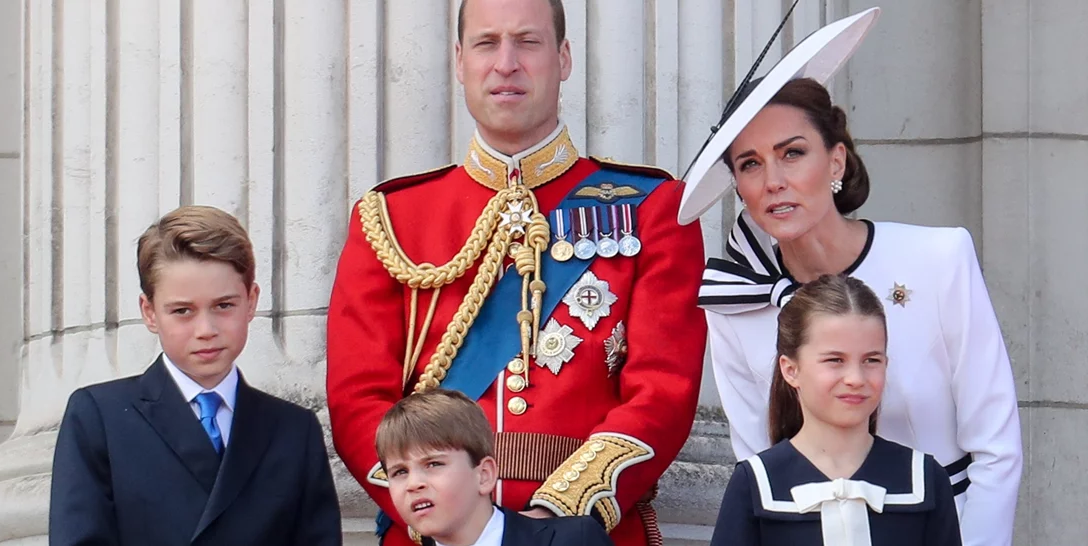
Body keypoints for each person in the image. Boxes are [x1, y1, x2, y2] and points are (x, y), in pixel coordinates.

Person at [326, 0, 707, 543]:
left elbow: (662, 391)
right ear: (460, 62)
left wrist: (555, 519)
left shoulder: (652, 210)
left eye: (527, 42)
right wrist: (437, 513)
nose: (506, 62)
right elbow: (356, 399)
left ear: (564, 58)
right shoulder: (391, 218)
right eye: (487, 43)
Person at [678, 7, 1021, 546]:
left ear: (835, 161)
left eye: (793, 153)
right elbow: (758, 465)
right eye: (749, 164)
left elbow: (997, 452)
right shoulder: (735, 302)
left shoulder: (939, 257)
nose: (773, 181)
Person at [49, 206, 342, 546]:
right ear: (150, 312)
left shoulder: (294, 429)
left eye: (223, 306)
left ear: (251, 301)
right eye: (182, 311)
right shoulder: (99, 416)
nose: (206, 330)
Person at [709, 275, 962, 546]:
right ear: (791, 370)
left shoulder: (924, 479)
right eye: (835, 360)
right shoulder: (756, 482)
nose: (855, 378)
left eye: (871, 360)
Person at [376, 388, 615, 546]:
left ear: (484, 475)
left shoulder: (575, 540)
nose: (413, 484)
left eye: (433, 464)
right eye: (399, 472)